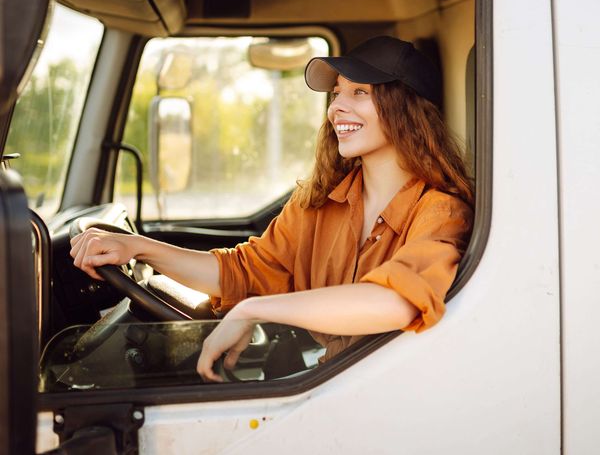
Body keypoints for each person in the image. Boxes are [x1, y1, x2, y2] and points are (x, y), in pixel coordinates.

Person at [70, 35, 473, 382]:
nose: (337, 108)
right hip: (329, 380)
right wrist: (139, 248)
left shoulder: (440, 211)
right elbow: (242, 272)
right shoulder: (319, 201)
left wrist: (253, 309)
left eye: (359, 93)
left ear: (405, 110)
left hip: (390, 387)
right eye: (337, 94)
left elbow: (397, 301)